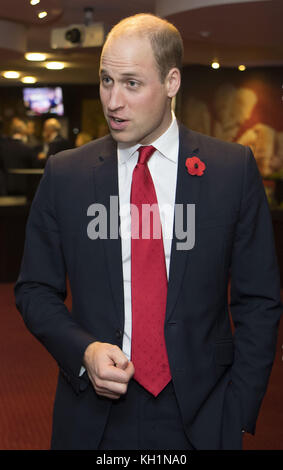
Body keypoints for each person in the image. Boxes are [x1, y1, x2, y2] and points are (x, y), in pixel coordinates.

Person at [15, 13, 282, 450]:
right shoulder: (66, 174)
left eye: (132, 84)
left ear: (171, 82)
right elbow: (34, 290)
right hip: (94, 413)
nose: (113, 101)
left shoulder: (231, 170)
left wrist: (236, 410)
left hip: (201, 413)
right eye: (105, 80)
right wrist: (84, 352)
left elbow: (259, 301)